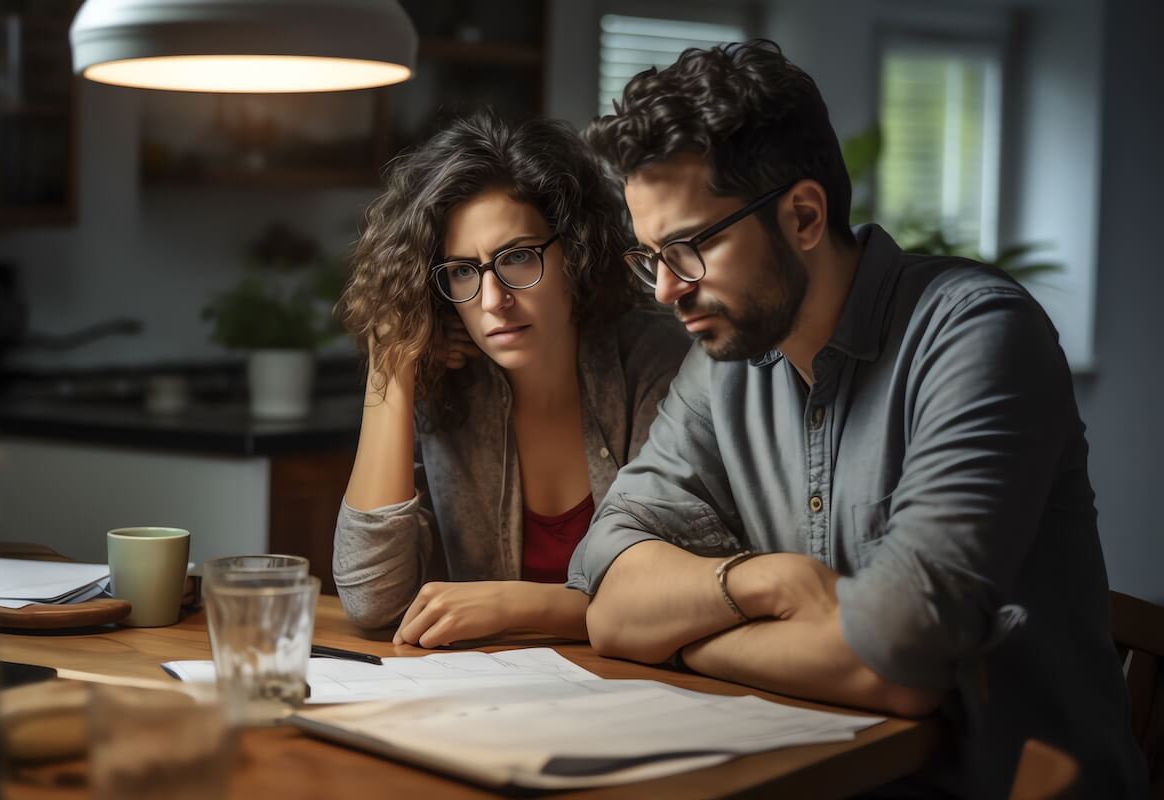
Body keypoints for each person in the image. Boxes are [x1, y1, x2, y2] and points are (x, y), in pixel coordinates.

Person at [567, 40, 1148, 798]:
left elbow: (898, 664)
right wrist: (762, 583)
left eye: (689, 247)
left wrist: (682, 646)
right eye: (651, 257)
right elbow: (610, 599)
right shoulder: (724, 362)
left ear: (804, 215)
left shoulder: (976, 334)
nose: (666, 291)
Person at [334, 111, 689, 649]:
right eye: (462, 270)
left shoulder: (655, 365)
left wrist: (514, 605)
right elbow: (371, 597)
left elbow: (676, 598)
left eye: (517, 258)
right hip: (494, 702)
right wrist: (393, 363)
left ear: (574, 250)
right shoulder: (448, 382)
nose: (494, 299)